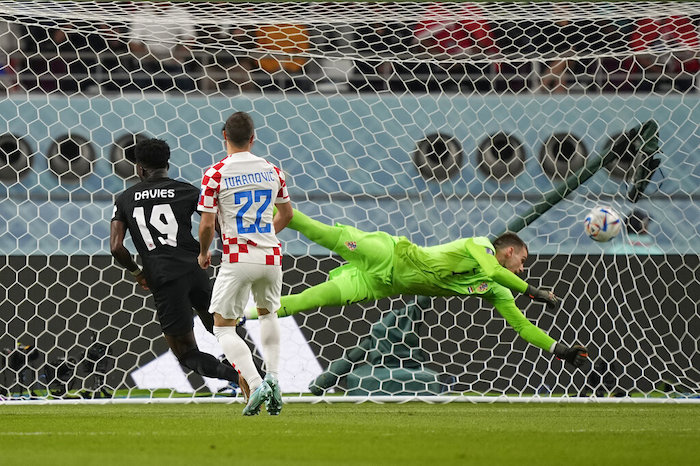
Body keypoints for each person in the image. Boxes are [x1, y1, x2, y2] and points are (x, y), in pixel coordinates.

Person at [245, 208, 589, 369]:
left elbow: (522, 326)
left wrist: (557, 349)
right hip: (392, 254)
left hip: (379, 285)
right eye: (522, 261)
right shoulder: (480, 246)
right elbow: (491, 269)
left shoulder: (495, 289)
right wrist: (532, 290)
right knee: (318, 232)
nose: (522, 268)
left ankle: (230, 316)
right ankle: (272, 202)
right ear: (509, 251)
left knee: (305, 301)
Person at [110, 138, 249, 398]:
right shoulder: (187, 190)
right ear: (167, 164)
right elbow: (217, 225)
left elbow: (116, 247)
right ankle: (257, 378)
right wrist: (215, 254)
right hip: (195, 272)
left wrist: (138, 273)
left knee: (186, 352)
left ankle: (235, 377)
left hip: (163, 279)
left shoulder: (125, 199)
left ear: (139, 168)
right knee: (224, 330)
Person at [197, 111, 293, 415]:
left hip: (238, 258)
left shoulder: (215, 173)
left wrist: (203, 252)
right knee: (268, 315)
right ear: (253, 138)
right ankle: (275, 379)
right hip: (271, 257)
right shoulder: (273, 171)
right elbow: (287, 214)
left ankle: (255, 381)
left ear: (224, 136)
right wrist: (264, 236)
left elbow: (207, 225)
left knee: (223, 328)